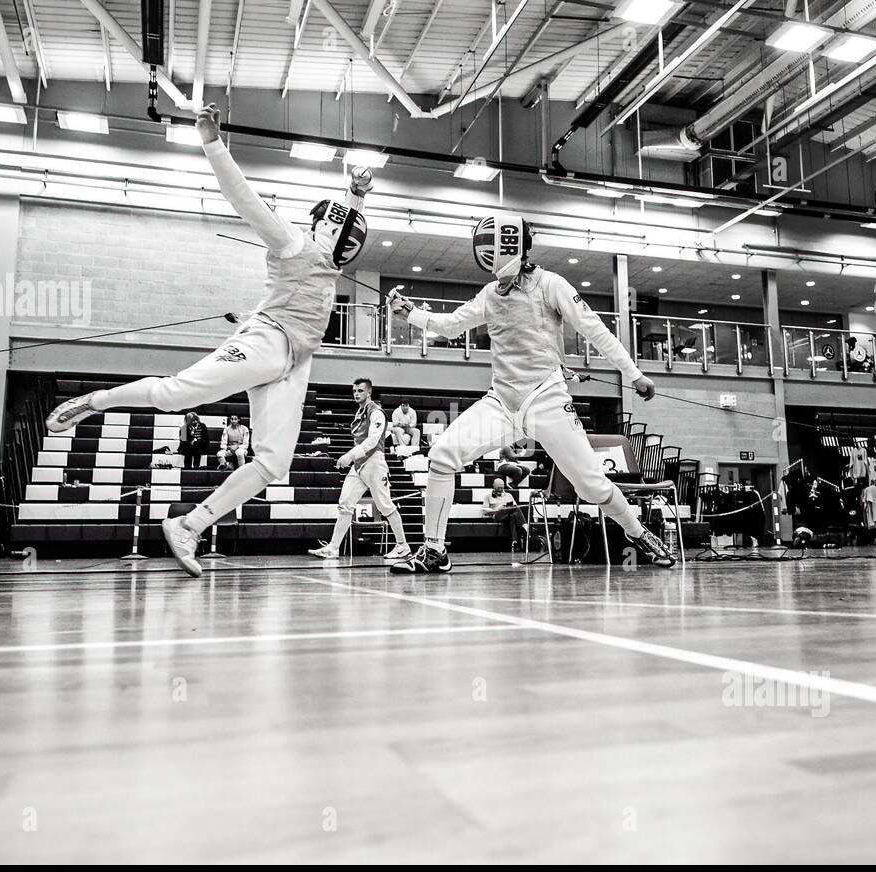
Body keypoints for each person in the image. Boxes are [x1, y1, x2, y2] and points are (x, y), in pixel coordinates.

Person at [45, 103, 373, 577]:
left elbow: (347, 223)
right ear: (325, 224)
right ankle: (98, 400)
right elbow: (243, 197)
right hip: (267, 341)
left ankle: (190, 525)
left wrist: (357, 192)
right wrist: (212, 141)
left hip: (295, 362)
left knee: (274, 462)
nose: (348, 241)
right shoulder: (293, 242)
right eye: (343, 227)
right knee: (178, 394)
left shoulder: (330, 260)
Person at [385, 211, 675, 573]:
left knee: (592, 487)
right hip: (501, 403)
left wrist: (633, 374)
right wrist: (409, 312)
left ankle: (638, 533)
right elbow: (449, 325)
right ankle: (434, 550)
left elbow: (594, 329)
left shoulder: (551, 284)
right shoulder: (490, 294)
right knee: (442, 456)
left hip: (547, 400)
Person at [308, 378, 411, 561]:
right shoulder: (359, 412)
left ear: (368, 392)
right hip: (359, 466)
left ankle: (403, 546)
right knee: (345, 502)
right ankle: (333, 548)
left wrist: (349, 455)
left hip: (374, 462)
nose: (356, 394)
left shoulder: (376, 412)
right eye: (354, 391)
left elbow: (372, 441)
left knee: (384, 505)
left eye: (360, 391)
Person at [483, 477, 526, 549]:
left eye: (501, 488)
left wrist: (507, 507)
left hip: (508, 516)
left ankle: (514, 542)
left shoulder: (509, 495)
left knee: (512, 516)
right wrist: (498, 508)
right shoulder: (488, 496)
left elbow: (515, 508)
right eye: (498, 488)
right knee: (513, 509)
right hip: (497, 515)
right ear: (494, 487)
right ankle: (525, 526)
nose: (500, 490)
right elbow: (485, 511)